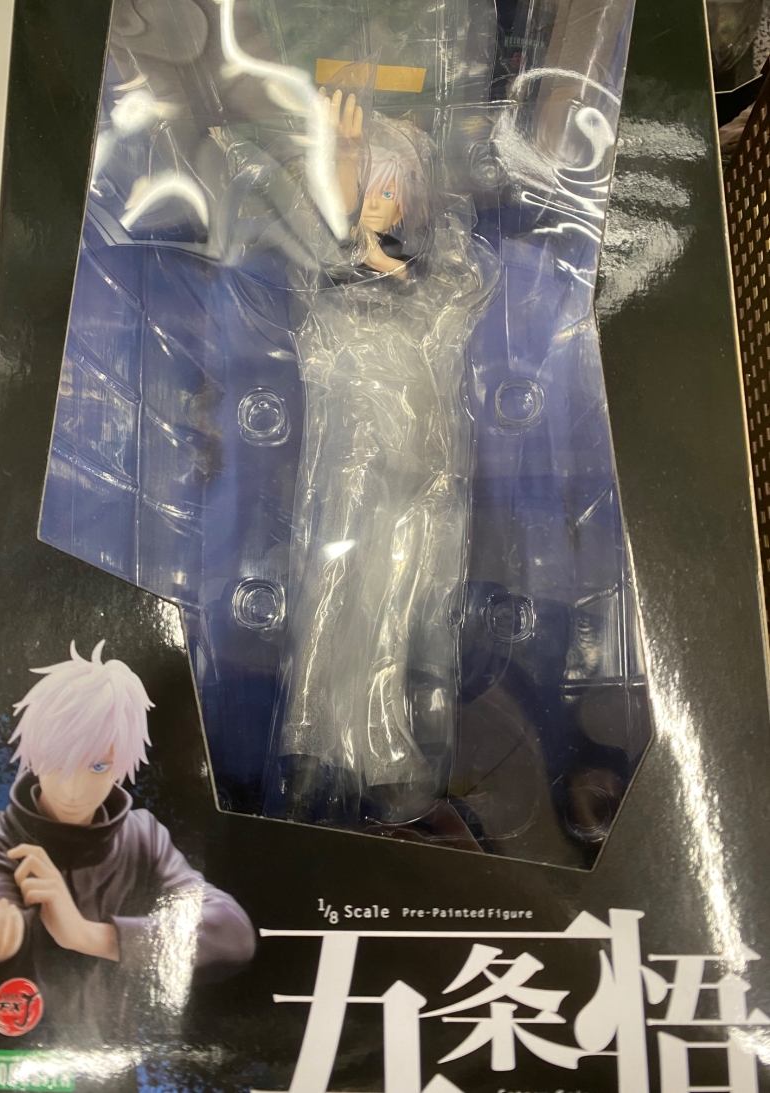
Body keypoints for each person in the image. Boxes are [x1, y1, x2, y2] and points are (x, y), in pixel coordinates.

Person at [273, 88, 500, 826]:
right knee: (335, 583)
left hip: (419, 460)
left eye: (391, 188)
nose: (378, 199)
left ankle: (380, 742)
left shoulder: (436, 278)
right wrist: (336, 168)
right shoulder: (332, 274)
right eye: (367, 183)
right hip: (351, 454)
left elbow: (455, 300)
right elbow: (320, 279)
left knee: (397, 594)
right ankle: (311, 737)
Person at [0, 641, 255, 1049]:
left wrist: (86, 935)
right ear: (37, 752)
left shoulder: (142, 837)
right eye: (61, 760)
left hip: (113, 1067)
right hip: (11, 1068)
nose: (74, 788)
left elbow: (232, 934)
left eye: (98, 765)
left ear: (120, 763)